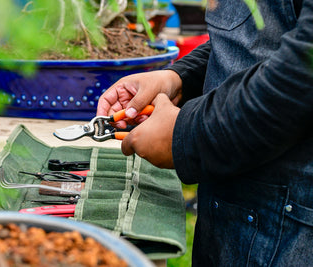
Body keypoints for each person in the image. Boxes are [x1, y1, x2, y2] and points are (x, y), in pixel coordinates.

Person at [96, 0, 313, 265]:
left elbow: (301, 74)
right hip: (229, 215)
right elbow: (259, 39)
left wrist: (186, 133)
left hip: (288, 233)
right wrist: (179, 78)